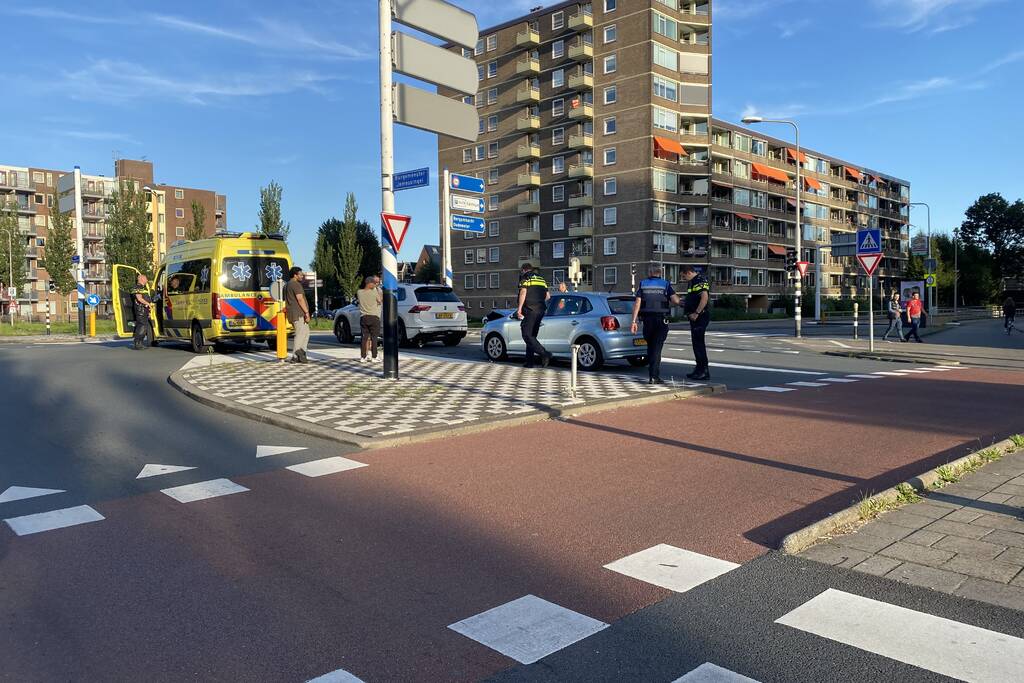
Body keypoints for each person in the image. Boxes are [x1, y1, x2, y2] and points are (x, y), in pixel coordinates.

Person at [630, 266, 681, 384]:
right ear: (660, 273)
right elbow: (675, 301)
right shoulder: (665, 284)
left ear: (650, 272)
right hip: (661, 320)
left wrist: (634, 321)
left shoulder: (643, 284)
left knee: (651, 347)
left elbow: (637, 303)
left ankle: (652, 374)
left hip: (647, 321)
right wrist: (685, 303)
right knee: (657, 348)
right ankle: (654, 376)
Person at [515, 263, 552, 368]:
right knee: (532, 336)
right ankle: (529, 362)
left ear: (523, 270)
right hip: (540, 310)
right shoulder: (541, 279)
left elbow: (523, 292)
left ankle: (545, 354)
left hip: (530, 310)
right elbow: (548, 296)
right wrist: (539, 301)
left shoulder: (525, 277)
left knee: (526, 334)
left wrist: (519, 309)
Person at [681, 264, 711, 381]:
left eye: (684, 277)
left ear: (688, 272)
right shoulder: (693, 281)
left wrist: (696, 313)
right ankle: (698, 369)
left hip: (700, 317)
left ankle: (703, 371)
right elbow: (694, 297)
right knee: (696, 344)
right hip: (695, 317)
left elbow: (704, 297)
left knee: (699, 345)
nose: (684, 279)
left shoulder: (699, 280)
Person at [284, 266, 311, 363]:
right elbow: (300, 299)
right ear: (295, 275)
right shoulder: (295, 284)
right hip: (298, 313)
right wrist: (306, 312)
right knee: (300, 334)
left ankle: (302, 353)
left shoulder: (287, 285)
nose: (302, 276)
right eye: (300, 274)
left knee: (306, 333)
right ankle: (295, 356)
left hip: (292, 313)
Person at [356, 275, 382, 362]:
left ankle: (363, 357)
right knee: (374, 338)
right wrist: (378, 291)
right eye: (374, 283)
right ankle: (374, 357)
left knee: (364, 338)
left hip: (363, 317)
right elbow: (380, 300)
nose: (375, 285)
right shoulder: (374, 292)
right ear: (370, 283)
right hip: (374, 317)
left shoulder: (359, 292)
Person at [130, 273, 154, 350]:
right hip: (140, 310)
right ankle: (137, 343)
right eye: (145, 278)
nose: (147, 280)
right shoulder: (137, 287)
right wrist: (148, 304)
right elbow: (139, 298)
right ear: (141, 279)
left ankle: (140, 343)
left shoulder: (143, 288)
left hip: (144, 310)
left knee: (144, 326)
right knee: (142, 326)